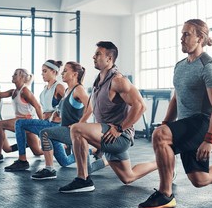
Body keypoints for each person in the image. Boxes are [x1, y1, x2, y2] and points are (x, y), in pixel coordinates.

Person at [138, 19, 212, 208]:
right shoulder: (180, 66)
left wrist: (210, 139)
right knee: (200, 179)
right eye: (181, 34)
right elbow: (177, 97)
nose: (181, 38)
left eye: (186, 34)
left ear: (200, 38)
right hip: (186, 124)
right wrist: (166, 122)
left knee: (160, 136)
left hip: (202, 123)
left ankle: (165, 194)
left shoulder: (209, 67)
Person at [58, 41, 157, 193]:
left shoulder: (118, 80)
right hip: (107, 135)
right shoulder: (99, 81)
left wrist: (119, 128)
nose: (94, 57)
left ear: (109, 59)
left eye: (98, 54)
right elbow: (94, 108)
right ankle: (162, 163)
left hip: (118, 136)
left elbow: (140, 106)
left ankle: (83, 179)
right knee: (128, 177)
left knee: (77, 129)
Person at [31, 61, 107, 180]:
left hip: (78, 133)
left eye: (65, 70)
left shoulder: (78, 89)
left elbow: (90, 108)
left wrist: (79, 124)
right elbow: (64, 111)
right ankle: (106, 159)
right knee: (88, 169)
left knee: (44, 133)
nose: (62, 73)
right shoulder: (67, 91)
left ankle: (50, 169)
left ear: (74, 74)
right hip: (68, 131)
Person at [3, 60, 65, 171]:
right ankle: (92, 151)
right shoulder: (45, 89)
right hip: (47, 124)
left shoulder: (59, 86)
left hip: (55, 125)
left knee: (19, 123)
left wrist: (60, 117)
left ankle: (22, 160)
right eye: (42, 71)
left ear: (54, 72)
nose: (42, 74)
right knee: (65, 162)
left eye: (45, 71)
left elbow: (68, 105)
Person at [0, 68, 43, 163]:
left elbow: (38, 107)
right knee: (37, 152)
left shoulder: (25, 91)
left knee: (0, 124)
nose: (12, 76)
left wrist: (43, 125)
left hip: (27, 121)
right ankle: (63, 147)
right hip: (19, 121)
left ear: (22, 77)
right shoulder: (13, 91)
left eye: (15, 74)